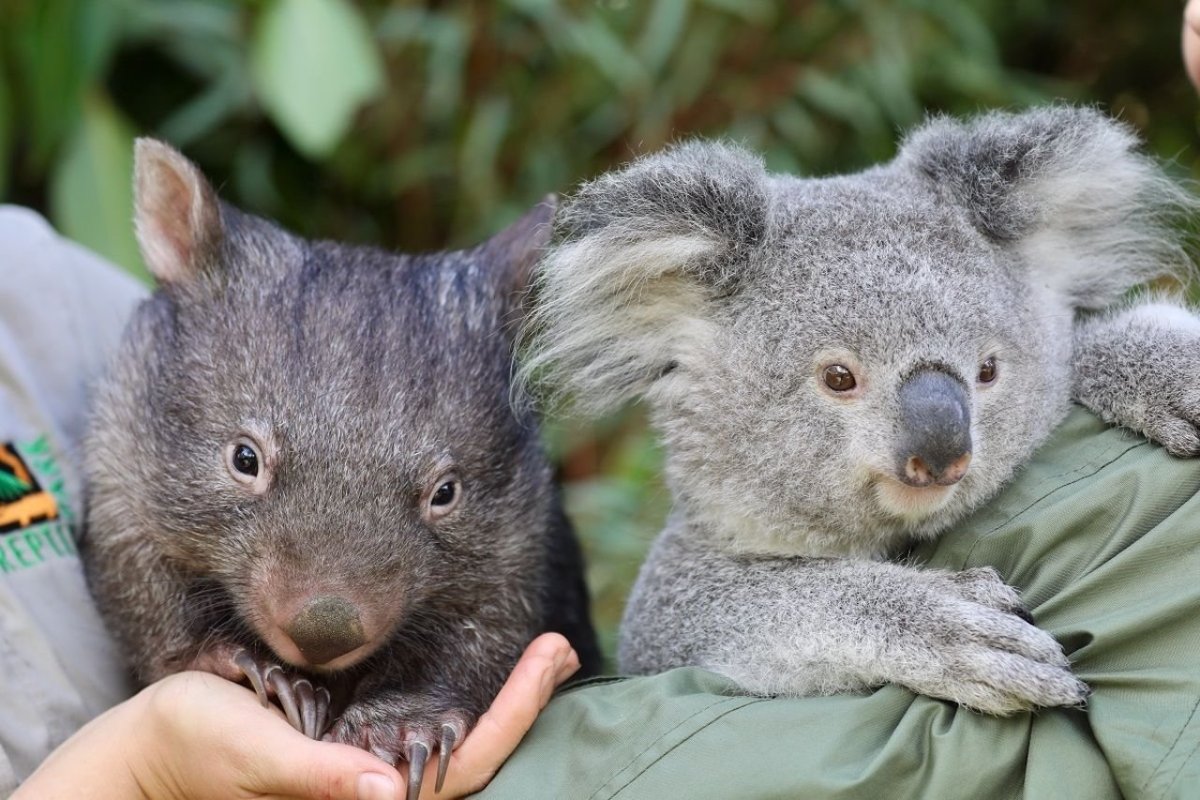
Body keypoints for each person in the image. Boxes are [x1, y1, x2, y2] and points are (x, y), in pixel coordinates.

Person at [0, 205, 580, 800]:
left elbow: (507, 566)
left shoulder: (31, 286)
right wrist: (145, 760)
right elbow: (129, 480)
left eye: (441, 495)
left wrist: (432, 699)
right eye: (246, 463)